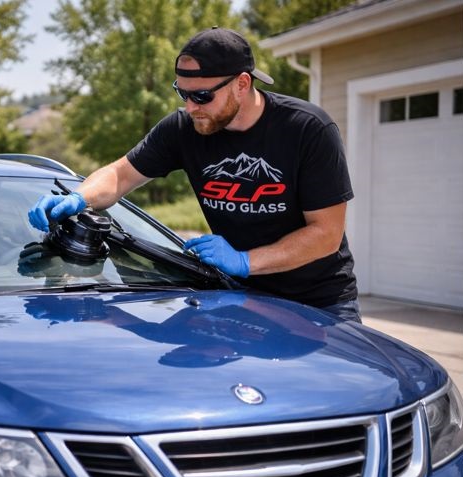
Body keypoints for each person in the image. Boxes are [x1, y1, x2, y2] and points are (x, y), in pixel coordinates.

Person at [28, 27, 360, 323]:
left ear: (242, 84)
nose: (190, 107)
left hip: (320, 305)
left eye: (202, 96)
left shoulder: (307, 129)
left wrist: (244, 261)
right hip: (239, 297)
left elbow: (326, 235)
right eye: (182, 93)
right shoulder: (184, 129)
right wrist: (79, 197)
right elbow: (121, 174)